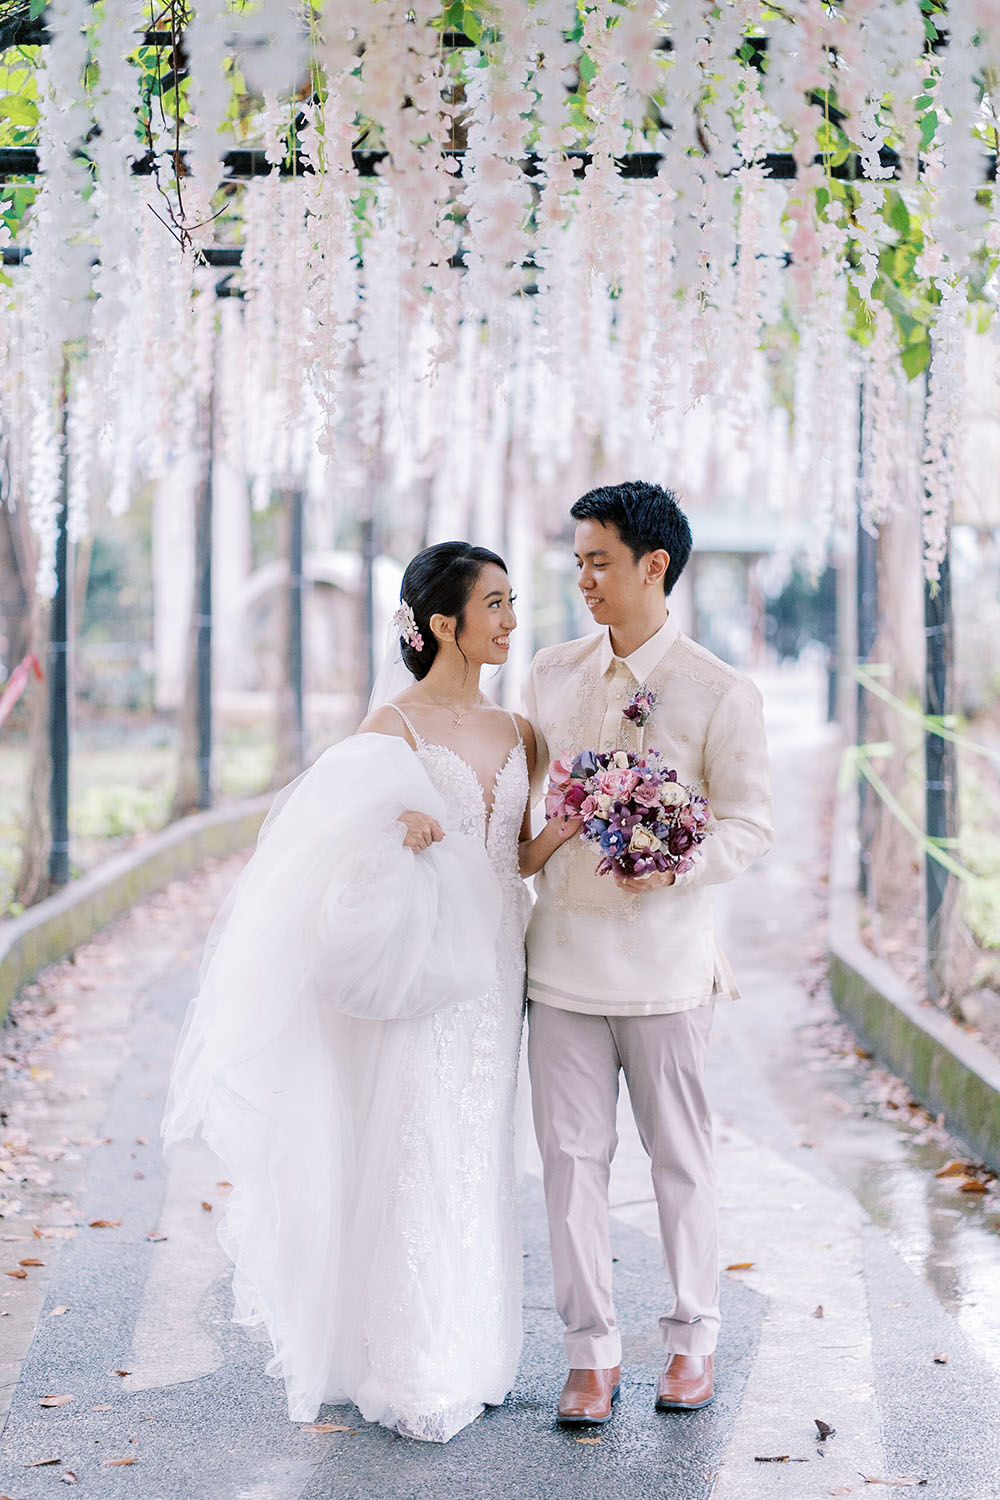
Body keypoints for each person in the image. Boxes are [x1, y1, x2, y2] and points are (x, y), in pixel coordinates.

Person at [163, 540, 571, 1443]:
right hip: (429, 972)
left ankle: (471, 1342)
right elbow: (326, 858)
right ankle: (409, 1357)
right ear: (442, 626)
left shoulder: (521, 734)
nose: (511, 618)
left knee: (476, 1146)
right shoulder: (392, 730)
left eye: (512, 601)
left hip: (498, 971)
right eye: (495, 604)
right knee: (417, 1138)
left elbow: (516, 857)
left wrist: (580, 824)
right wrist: (399, 830)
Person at [520, 481, 774, 1424]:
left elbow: (751, 825)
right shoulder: (550, 672)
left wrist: (676, 864)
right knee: (569, 1163)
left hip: (669, 970)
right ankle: (590, 1355)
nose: (583, 578)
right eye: (577, 561)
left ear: (653, 566)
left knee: (682, 1162)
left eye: (599, 561)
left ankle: (692, 1341)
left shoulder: (720, 689)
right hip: (562, 964)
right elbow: (524, 802)